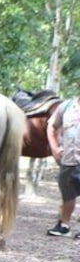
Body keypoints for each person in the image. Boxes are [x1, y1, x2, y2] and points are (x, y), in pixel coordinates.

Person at [46, 96, 80, 236]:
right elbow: (51, 126)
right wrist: (54, 148)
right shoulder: (66, 106)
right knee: (68, 194)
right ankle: (64, 226)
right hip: (69, 159)